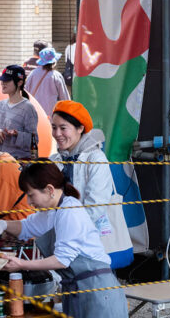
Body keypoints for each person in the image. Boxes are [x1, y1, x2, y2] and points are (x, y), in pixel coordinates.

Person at [0, 161, 129, 318]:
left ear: (49, 190)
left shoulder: (70, 211)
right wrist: (3, 224)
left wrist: (22, 264)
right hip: (78, 292)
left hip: (98, 294)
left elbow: (62, 260)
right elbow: (27, 227)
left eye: (31, 195)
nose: (29, 202)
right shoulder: (54, 209)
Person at [50, 101, 133, 268]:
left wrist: (70, 232)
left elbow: (95, 206)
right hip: (63, 243)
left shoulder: (96, 158)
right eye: (54, 127)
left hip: (91, 245)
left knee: (95, 280)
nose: (57, 133)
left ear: (80, 128)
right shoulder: (54, 160)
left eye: (63, 128)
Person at [0, 65, 40, 161]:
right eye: (2, 80)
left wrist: (17, 134)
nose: (2, 83)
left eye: (7, 80)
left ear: (19, 82)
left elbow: (34, 140)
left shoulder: (28, 108)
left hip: (18, 162)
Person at [25, 47, 70, 117]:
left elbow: (26, 94)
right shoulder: (56, 75)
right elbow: (64, 98)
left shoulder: (32, 74)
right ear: (54, 62)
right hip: (51, 115)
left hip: (34, 112)